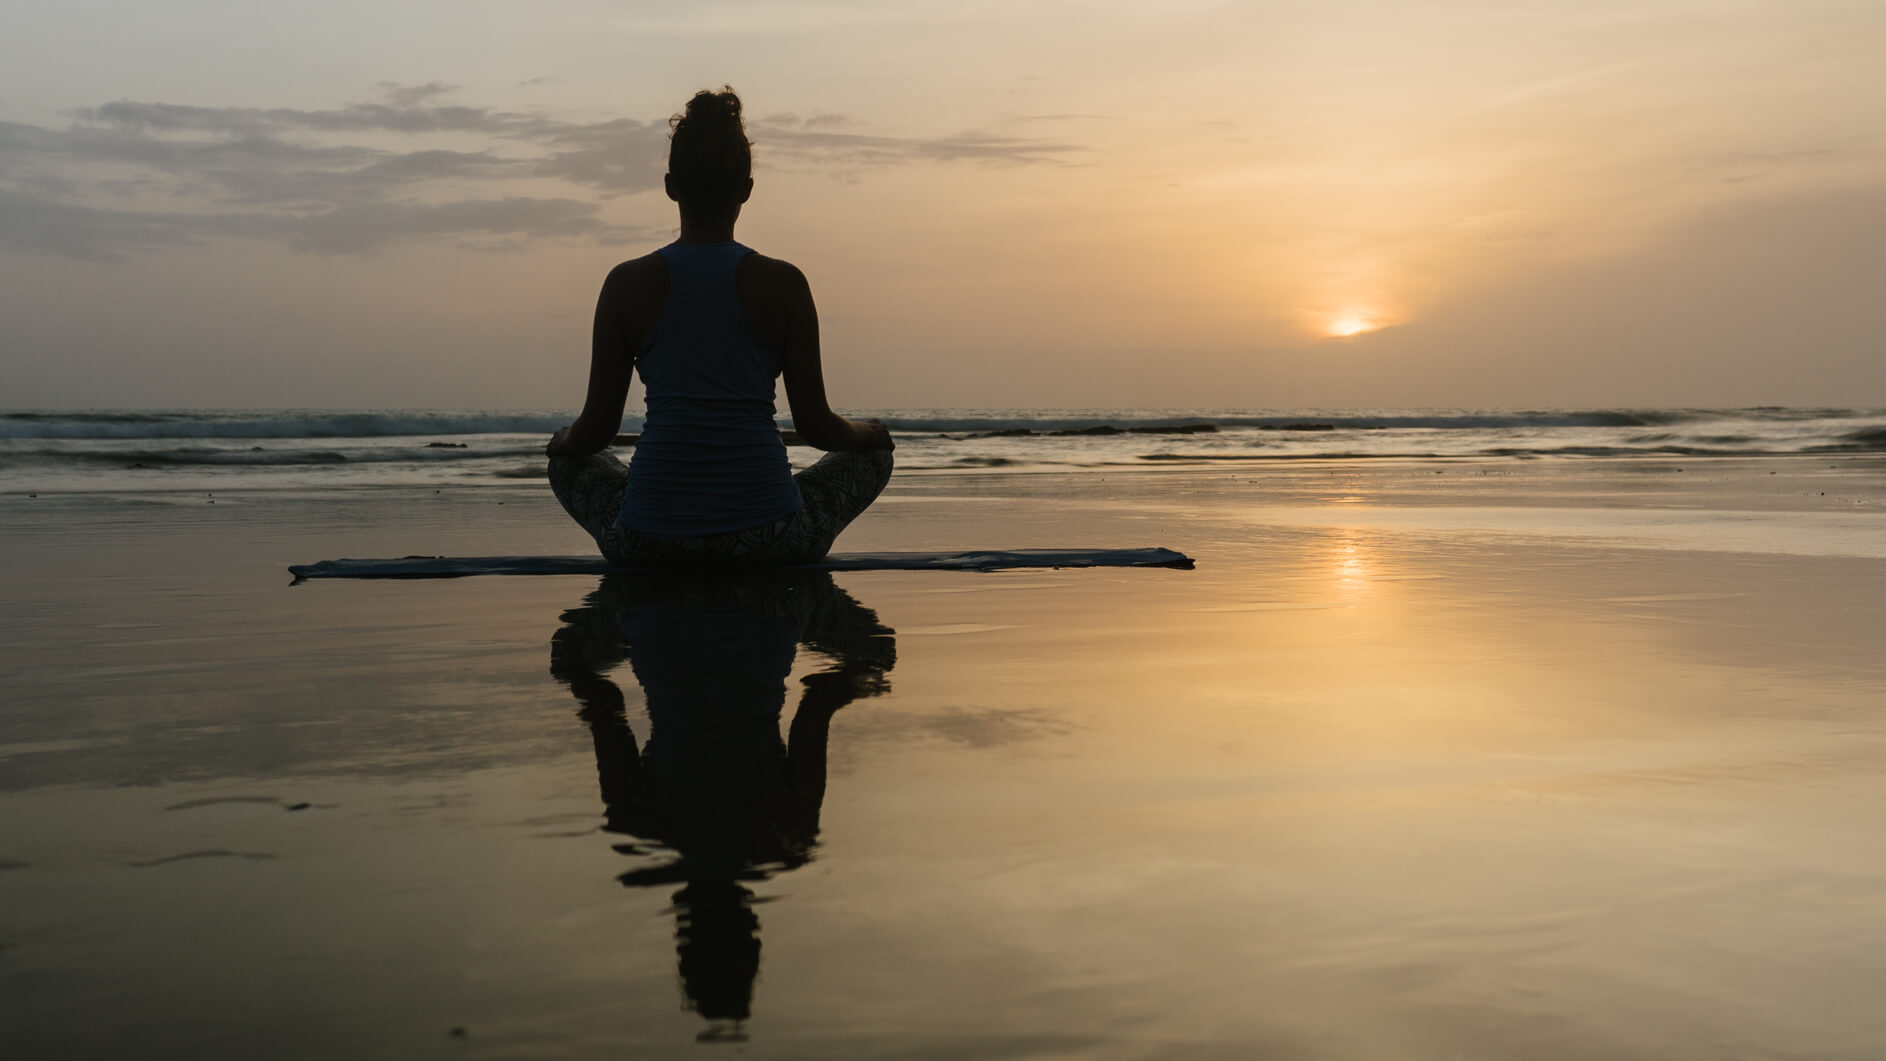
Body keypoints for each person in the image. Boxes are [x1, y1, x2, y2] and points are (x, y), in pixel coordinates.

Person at [546, 86, 894, 566]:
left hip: (647, 541)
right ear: (746, 190)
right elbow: (816, 426)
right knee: (872, 457)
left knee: (569, 465)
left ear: (671, 186)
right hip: (772, 538)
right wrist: (867, 433)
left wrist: (564, 440)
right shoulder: (785, 284)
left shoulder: (625, 284)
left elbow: (595, 433)